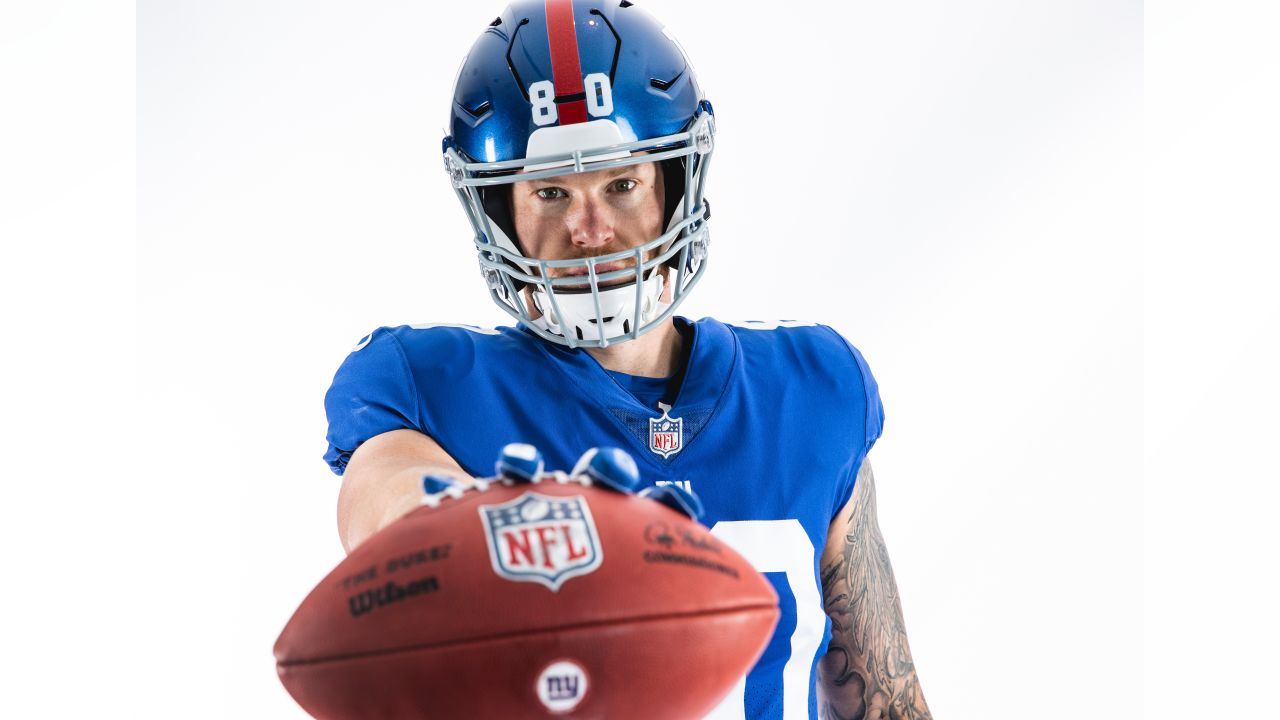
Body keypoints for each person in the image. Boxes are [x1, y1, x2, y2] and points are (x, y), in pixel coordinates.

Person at [323, 1, 932, 718]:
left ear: (675, 183)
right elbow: (384, 497)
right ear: (498, 210)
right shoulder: (425, 382)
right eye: (551, 192)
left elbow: (885, 701)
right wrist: (464, 527)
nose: (591, 230)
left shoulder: (810, 387)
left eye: (622, 184)